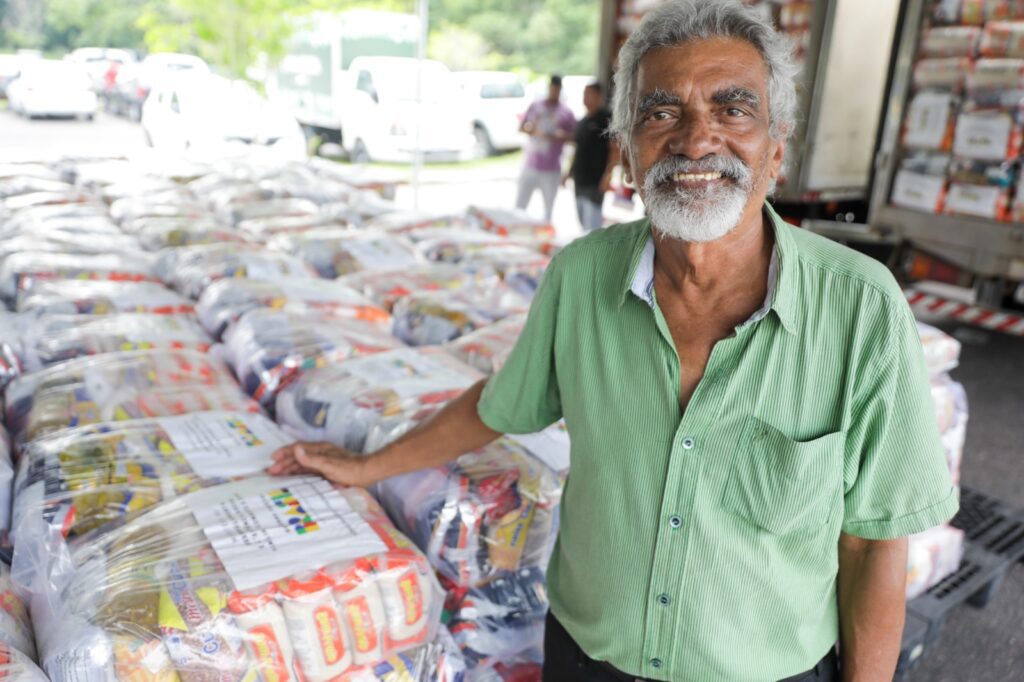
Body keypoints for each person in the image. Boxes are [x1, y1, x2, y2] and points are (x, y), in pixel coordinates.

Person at [269, 1, 958, 680]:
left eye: (732, 110)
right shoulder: (581, 276)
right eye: (662, 113)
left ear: (774, 151)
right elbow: (499, 407)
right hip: (586, 656)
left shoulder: (861, 309)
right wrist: (368, 467)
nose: (695, 140)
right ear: (626, 154)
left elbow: (872, 544)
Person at [515, 74, 576, 222]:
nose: (554, 91)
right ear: (549, 88)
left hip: (552, 167)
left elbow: (574, 138)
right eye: (552, 88)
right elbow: (522, 127)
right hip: (531, 163)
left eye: (557, 89)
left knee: (548, 210)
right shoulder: (536, 105)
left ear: (560, 90)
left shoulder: (566, 112)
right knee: (519, 206)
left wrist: (559, 136)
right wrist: (534, 130)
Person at [564, 81, 619, 232]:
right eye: (584, 94)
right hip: (580, 178)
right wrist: (569, 172)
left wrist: (608, 175)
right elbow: (577, 149)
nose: (585, 98)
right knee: (582, 221)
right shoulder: (582, 122)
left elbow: (615, 148)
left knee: (592, 225)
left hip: (595, 179)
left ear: (599, 96)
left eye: (589, 94)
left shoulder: (606, 119)